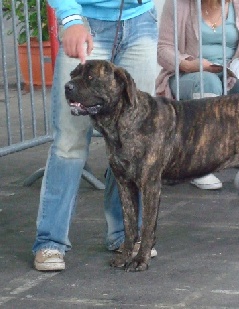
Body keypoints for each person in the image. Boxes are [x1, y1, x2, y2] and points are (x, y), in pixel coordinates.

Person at [32, 0, 158, 271]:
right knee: (70, 142)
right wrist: (69, 18)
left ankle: (126, 236)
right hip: (85, 20)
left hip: (141, 21)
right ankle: (50, 242)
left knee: (132, 140)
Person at [156, 0, 239, 190]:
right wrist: (188, 64)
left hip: (230, 76)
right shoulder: (178, 4)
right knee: (207, 82)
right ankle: (200, 164)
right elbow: (163, 49)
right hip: (188, 74)